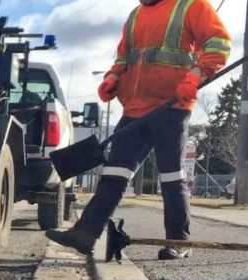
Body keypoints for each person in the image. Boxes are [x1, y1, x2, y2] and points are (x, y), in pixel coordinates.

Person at [46, 0, 231, 260]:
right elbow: (124, 56)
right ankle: (85, 233)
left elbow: (219, 44)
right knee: (114, 173)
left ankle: (178, 241)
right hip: (135, 109)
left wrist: (194, 78)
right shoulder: (136, 14)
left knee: (171, 176)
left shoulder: (191, 5)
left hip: (172, 106)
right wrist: (113, 77)